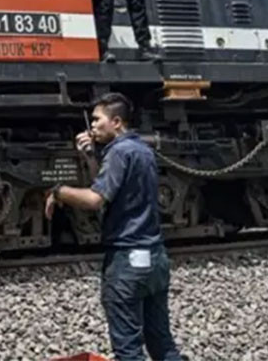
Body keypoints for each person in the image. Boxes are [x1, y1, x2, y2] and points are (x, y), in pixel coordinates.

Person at [45, 93, 182, 361]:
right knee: (162, 342)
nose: (92, 125)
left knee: (128, 350)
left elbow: (96, 199)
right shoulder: (142, 150)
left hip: (126, 263)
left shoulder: (119, 152)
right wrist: (89, 158)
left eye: (97, 120)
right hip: (155, 259)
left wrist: (58, 191)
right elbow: (112, 188)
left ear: (116, 122)